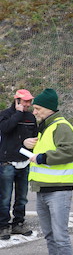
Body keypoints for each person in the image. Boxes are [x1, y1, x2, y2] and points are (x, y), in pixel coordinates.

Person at [24, 88, 73, 255]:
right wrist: (28, 144)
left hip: (59, 189)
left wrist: (41, 158)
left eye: (37, 108)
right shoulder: (46, 128)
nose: (34, 112)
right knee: (49, 234)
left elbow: (69, 152)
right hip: (43, 188)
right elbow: (48, 149)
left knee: (60, 235)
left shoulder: (61, 126)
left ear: (48, 109)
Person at [0, 89, 38, 239]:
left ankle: (18, 223)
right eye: (25, 101)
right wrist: (18, 113)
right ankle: (3, 226)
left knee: (22, 197)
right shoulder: (5, 115)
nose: (28, 104)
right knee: (5, 197)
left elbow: (35, 136)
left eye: (29, 101)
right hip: (7, 162)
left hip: (24, 161)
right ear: (17, 100)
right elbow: (6, 128)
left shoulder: (31, 117)